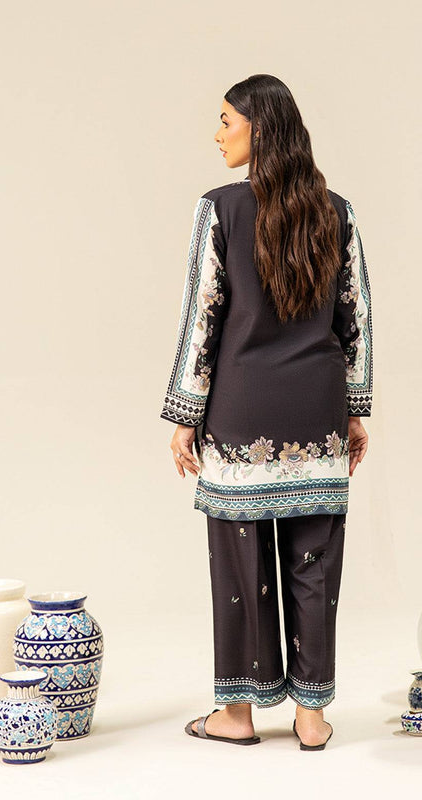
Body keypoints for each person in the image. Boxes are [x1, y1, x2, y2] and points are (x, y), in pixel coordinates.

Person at [160, 74, 373, 750]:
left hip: (242, 411)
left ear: (259, 126)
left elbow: (202, 317)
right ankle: (310, 718)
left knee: (239, 569)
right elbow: (355, 320)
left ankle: (237, 714)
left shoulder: (220, 208)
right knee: (315, 564)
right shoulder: (337, 211)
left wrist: (184, 412)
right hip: (317, 412)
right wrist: (354, 411)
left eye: (226, 120)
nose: (216, 133)